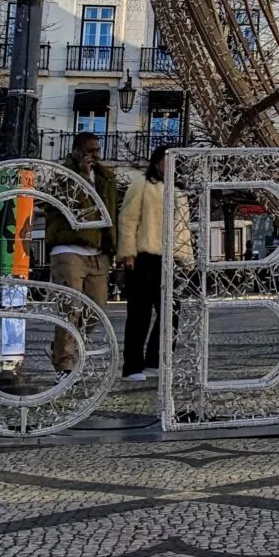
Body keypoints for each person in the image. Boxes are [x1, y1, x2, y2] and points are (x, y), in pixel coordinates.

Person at [48, 133, 121, 374]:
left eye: (97, 150)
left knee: (97, 308)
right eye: (89, 150)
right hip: (69, 247)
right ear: (77, 151)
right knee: (70, 307)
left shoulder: (105, 178)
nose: (94, 155)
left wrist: (114, 247)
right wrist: (80, 175)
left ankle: (63, 347)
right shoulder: (63, 175)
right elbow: (73, 206)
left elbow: (110, 214)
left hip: (98, 251)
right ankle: (65, 364)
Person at [116, 145, 166, 383]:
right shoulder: (141, 186)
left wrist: (185, 257)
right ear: (157, 163)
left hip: (170, 259)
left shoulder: (178, 191)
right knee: (139, 314)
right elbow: (128, 219)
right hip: (144, 256)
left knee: (171, 312)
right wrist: (128, 253)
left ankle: (155, 360)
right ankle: (132, 365)